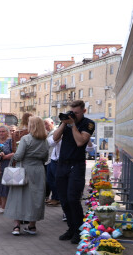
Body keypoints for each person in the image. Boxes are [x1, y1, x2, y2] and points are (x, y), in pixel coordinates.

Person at [53, 100, 96, 244]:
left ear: (84, 111)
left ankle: (79, 230)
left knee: (73, 198)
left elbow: (80, 142)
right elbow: (55, 138)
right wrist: (64, 123)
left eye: (76, 113)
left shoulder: (88, 123)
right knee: (64, 200)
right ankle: (71, 228)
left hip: (76, 165)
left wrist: (73, 125)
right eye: (72, 112)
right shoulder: (67, 122)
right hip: (62, 165)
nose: (74, 115)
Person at [5, 116, 50, 236]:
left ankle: (16, 226)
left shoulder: (26, 139)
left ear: (32, 126)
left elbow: (19, 156)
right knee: (36, 197)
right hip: (39, 171)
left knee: (19, 196)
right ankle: (32, 226)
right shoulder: (44, 140)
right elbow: (46, 158)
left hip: (24, 169)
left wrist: (13, 155)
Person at [0, 125, 15, 213]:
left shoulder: (10, 141)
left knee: (5, 186)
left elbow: (15, 152)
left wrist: (5, 156)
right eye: (0, 132)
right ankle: (0, 203)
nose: (1, 133)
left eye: (3, 131)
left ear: (7, 132)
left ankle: (4, 206)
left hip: (7, 165)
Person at [44, 118, 60, 206]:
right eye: (44, 124)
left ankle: (56, 198)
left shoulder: (55, 132)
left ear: (52, 123)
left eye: (47, 124)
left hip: (53, 159)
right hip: (49, 159)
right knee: (50, 180)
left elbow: (49, 143)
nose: (45, 126)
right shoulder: (48, 133)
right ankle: (54, 197)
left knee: (53, 180)